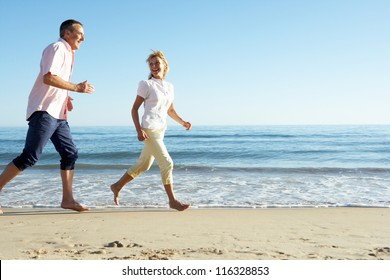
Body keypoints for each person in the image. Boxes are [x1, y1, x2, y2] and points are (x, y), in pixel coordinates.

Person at [0, 19, 95, 215]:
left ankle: (67, 200)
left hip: (58, 113)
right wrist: (77, 88)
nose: (83, 38)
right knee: (30, 157)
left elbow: (55, 81)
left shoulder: (69, 53)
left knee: (70, 153)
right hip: (44, 111)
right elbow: (48, 77)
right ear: (67, 33)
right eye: (80, 34)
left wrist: (66, 97)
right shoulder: (57, 47)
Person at [111, 50, 191, 211]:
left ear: (164, 65)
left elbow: (170, 110)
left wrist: (183, 122)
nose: (154, 66)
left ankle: (117, 186)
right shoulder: (146, 84)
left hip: (161, 129)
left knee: (144, 165)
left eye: (157, 63)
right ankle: (172, 200)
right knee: (167, 163)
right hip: (149, 128)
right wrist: (139, 130)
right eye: (151, 64)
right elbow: (134, 109)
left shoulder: (169, 86)